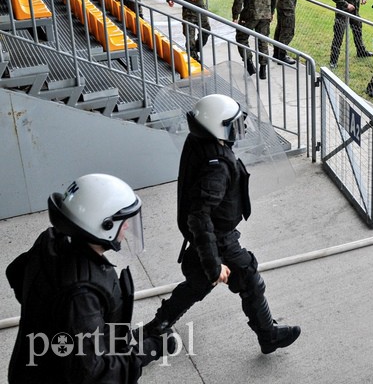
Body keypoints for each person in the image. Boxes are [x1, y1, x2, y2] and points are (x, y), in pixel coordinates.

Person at [140, 94, 301, 355]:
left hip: (214, 234)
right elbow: (199, 216)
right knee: (248, 276)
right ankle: (268, 335)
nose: (242, 129)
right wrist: (214, 264)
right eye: (234, 125)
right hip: (219, 237)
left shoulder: (200, 142)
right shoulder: (216, 167)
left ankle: (156, 327)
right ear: (217, 127)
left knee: (197, 283)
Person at [6, 173, 172, 383]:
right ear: (105, 225)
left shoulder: (51, 241)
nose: (128, 226)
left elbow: (15, 273)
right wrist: (150, 349)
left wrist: (50, 319)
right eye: (123, 221)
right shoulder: (81, 294)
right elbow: (96, 374)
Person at [232, 0, 277, 79]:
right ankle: (263, 69)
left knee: (241, 38)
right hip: (265, 15)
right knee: (263, 41)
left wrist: (235, 15)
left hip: (249, 15)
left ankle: (249, 64)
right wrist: (272, 12)